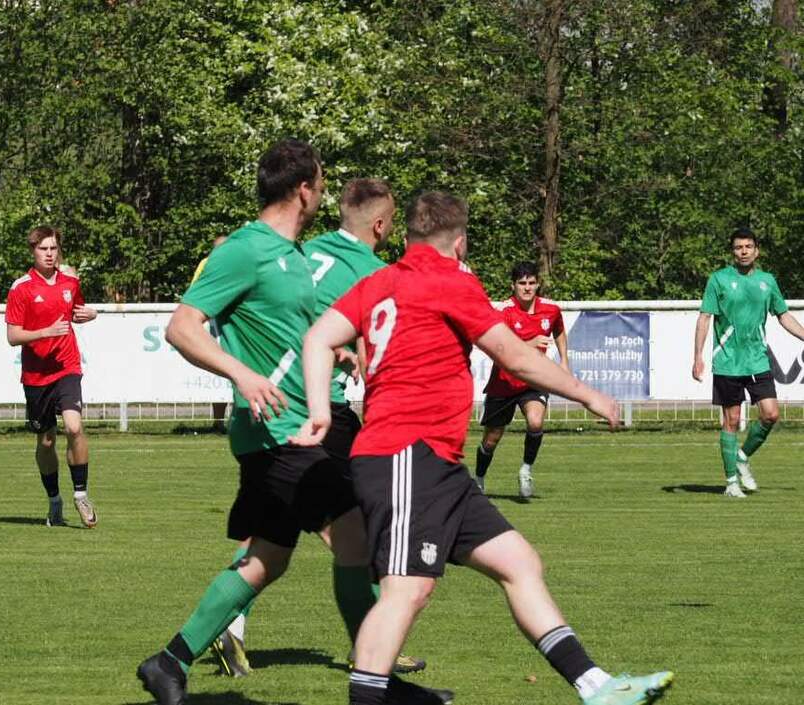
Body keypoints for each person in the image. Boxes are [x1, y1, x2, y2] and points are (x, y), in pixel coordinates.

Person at [292, 191, 674, 705]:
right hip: (405, 454)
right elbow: (515, 357)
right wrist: (586, 393)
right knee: (407, 589)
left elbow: (317, 338)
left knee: (518, 562)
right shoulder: (451, 280)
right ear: (460, 242)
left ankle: (597, 688)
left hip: (435, 463)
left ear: (407, 237)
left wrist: (320, 409)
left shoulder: (378, 281)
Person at [136, 142, 449, 705]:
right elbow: (182, 327)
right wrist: (242, 374)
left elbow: (291, 333)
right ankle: (377, 683)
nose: (324, 192)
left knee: (267, 558)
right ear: (304, 189)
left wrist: (336, 353)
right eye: (321, 182)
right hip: (277, 432)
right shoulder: (245, 249)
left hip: (293, 427)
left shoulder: (294, 253)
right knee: (353, 538)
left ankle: (169, 663)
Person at [209, 178, 426, 678]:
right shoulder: (374, 271)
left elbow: (294, 313)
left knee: (276, 528)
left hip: (279, 408)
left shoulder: (306, 250)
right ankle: (371, 646)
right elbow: (376, 355)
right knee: (353, 526)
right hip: (323, 409)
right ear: (380, 225)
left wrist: (333, 348)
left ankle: (228, 625)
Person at [693, 227, 804, 498]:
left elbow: (783, 315)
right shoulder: (719, 279)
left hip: (757, 360)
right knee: (731, 420)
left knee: (771, 414)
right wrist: (697, 356)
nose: (743, 251)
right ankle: (731, 483)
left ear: (756, 251)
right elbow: (705, 318)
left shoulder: (767, 281)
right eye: (738, 247)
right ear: (733, 252)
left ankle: (742, 457)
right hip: (728, 362)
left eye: (748, 247)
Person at [5, 226, 98, 528]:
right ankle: (54, 500)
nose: (49, 254)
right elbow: (13, 336)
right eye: (43, 249)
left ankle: (81, 494)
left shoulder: (71, 281)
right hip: (36, 375)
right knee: (46, 441)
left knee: (74, 426)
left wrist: (91, 314)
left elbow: (77, 312)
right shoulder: (21, 288)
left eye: (53, 248)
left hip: (67, 366)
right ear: (32, 251)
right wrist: (45, 332)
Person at [474, 261, 568, 498]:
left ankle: (526, 470)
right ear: (513, 285)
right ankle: (479, 478)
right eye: (522, 283)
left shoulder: (551, 310)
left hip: (533, 380)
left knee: (536, 422)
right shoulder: (503, 312)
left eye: (531, 283)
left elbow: (558, 330)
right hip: (504, 382)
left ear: (538, 284)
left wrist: (564, 361)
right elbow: (498, 348)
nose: (527, 288)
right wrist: (530, 344)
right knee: (491, 440)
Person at [190, 235, 230, 430]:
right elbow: (193, 292)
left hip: (234, 325)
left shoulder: (241, 262)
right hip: (212, 324)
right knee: (220, 373)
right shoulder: (205, 264)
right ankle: (219, 422)